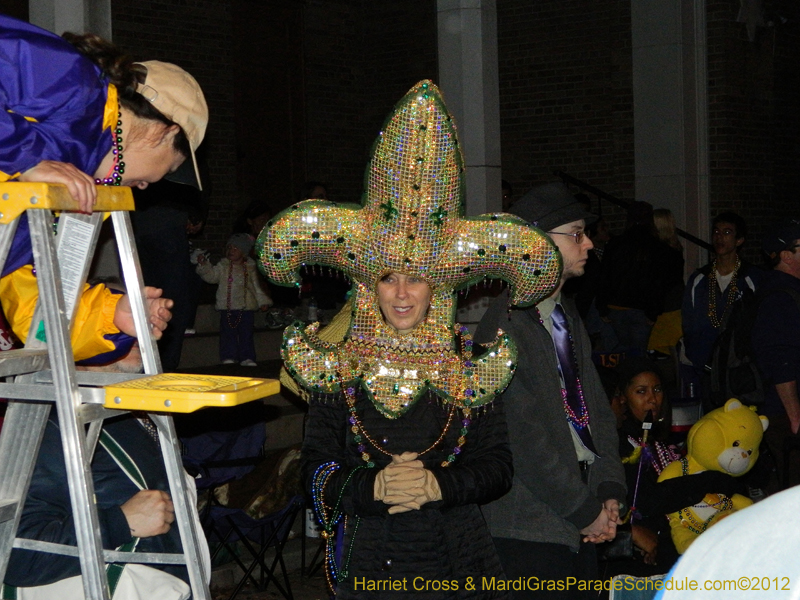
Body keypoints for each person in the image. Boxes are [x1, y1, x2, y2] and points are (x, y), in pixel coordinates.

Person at [260, 80, 563, 599]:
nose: (401, 293)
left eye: (416, 278)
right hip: (368, 565)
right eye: (387, 278)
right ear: (367, 283)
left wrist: (437, 485)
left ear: (439, 285)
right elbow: (315, 470)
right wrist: (372, 486)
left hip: (459, 562)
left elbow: (498, 468)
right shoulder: (339, 367)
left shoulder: (472, 368)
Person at [0, 15, 207, 363]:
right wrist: (27, 156)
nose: (146, 185)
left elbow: (36, 320)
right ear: (165, 132)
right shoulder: (75, 81)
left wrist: (111, 315)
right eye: (170, 168)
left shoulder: (61, 191)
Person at [475, 182, 627, 599]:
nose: (590, 243)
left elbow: (594, 411)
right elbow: (523, 438)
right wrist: (582, 509)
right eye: (576, 234)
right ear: (537, 243)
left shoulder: (564, 317)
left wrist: (608, 489)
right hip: (529, 524)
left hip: (576, 509)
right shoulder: (502, 327)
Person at [2, 343, 210, 599]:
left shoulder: (128, 405)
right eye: (115, 314)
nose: (138, 329)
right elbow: (16, 555)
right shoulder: (51, 425)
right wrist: (119, 523)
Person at [682, 212, 762, 400]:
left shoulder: (752, 278)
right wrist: (699, 358)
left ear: (739, 240)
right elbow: (689, 324)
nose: (720, 237)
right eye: (716, 232)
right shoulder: (700, 279)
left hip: (740, 367)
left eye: (727, 232)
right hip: (706, 367)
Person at [751, 219, 800, 492]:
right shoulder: (779, 297)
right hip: (783, 411)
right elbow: (781, 359)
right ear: (786, 256)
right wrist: (794, 417)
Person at [596, 201, 682, 356]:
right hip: (641, 309)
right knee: (638, 354)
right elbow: (658, 282)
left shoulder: (615, 243)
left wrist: (602, 307)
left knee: (623, 352)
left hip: (617, 306)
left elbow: (604, 276)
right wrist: (652, 312)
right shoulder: (656, 246)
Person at [196, 233, 272, 366]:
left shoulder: (250, 267)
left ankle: (247, 357)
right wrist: (204, 266)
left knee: (246, 334)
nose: (231, 251)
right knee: (227, 334)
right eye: (229, 248)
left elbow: (257, 286)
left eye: (235, 248)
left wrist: (263, 301)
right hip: (228, 307)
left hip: (246, 307)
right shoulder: (223, 266)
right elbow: (212, 277)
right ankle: (228, 356)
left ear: (244, 252)